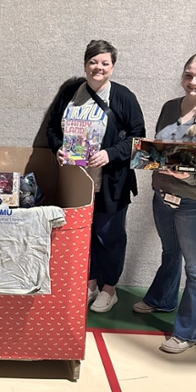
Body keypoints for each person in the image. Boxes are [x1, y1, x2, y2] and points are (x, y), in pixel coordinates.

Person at [133, 53, 196, 354]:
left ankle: (189, 332)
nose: (193, 82)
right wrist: (155, 163)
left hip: (195, 203)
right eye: (189, 75)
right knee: (170, 251)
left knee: (195, 267)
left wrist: (187, 177)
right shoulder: (168, 107)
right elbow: (159, 148)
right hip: (162, 194)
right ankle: (162, 299)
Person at [46, 39, 146, 313]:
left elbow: (138, 138)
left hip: (110, 182)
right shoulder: (70, 93)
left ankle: (109, 289)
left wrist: (111, 153)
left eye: (105, 63)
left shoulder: (123, 96)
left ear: (112, 67)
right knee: (80, 237)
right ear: (85, 64)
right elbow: (53, 129)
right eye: (93, 62)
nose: (98, 68)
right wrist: (58, 149)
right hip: (76, 181)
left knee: (110, 236)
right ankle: (88, 283)